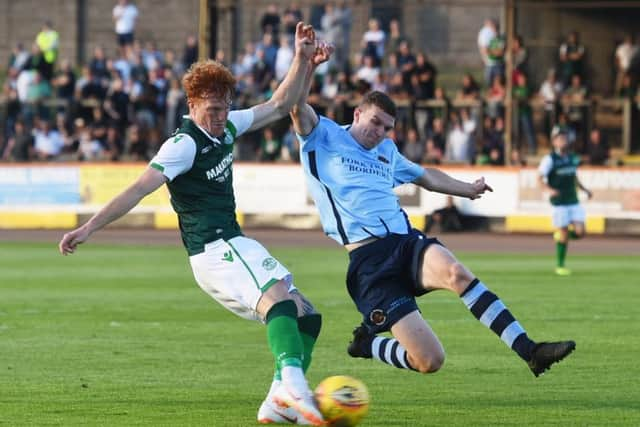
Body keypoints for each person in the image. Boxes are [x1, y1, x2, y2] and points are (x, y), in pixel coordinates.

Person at [59, 23, 328, 426]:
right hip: (216, 248)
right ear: (192, 104)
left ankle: (277, 401)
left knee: (307, 316)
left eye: (224, 107)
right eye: (212, 109)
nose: (220, 117)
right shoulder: (182, 145)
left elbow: (278, 104)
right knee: (281, 300)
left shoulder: (228, 126)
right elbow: (137, 189)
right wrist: (87, 228)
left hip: (228, 247)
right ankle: (295, 387)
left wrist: (303, 60)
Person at [290, 61, 576, 377]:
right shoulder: (324, 136)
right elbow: (295, 105)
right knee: (429, 360)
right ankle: (367, 345)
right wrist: (305, 62)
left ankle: (530, 350)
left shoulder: (387, 150)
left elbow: (426, 176)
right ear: (357, 114)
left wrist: (468, 189)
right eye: (375, 122)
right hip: (369, 263)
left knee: (457, 273)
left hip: (405, 242)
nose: (380, 133)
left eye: (387, 127)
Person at [538, 128, 593, 276]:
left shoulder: (571, 158)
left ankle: (562, 237)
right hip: (559, 202)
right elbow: (539, 178)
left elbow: (574, 177)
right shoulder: (549, 159)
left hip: (573, 200)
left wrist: (585, 190)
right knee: (563, 232)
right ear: (554, 141)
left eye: (564, 138)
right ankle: (560, 265)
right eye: (559, 138)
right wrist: (549, 190)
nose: (562, 141)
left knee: (581, 232)